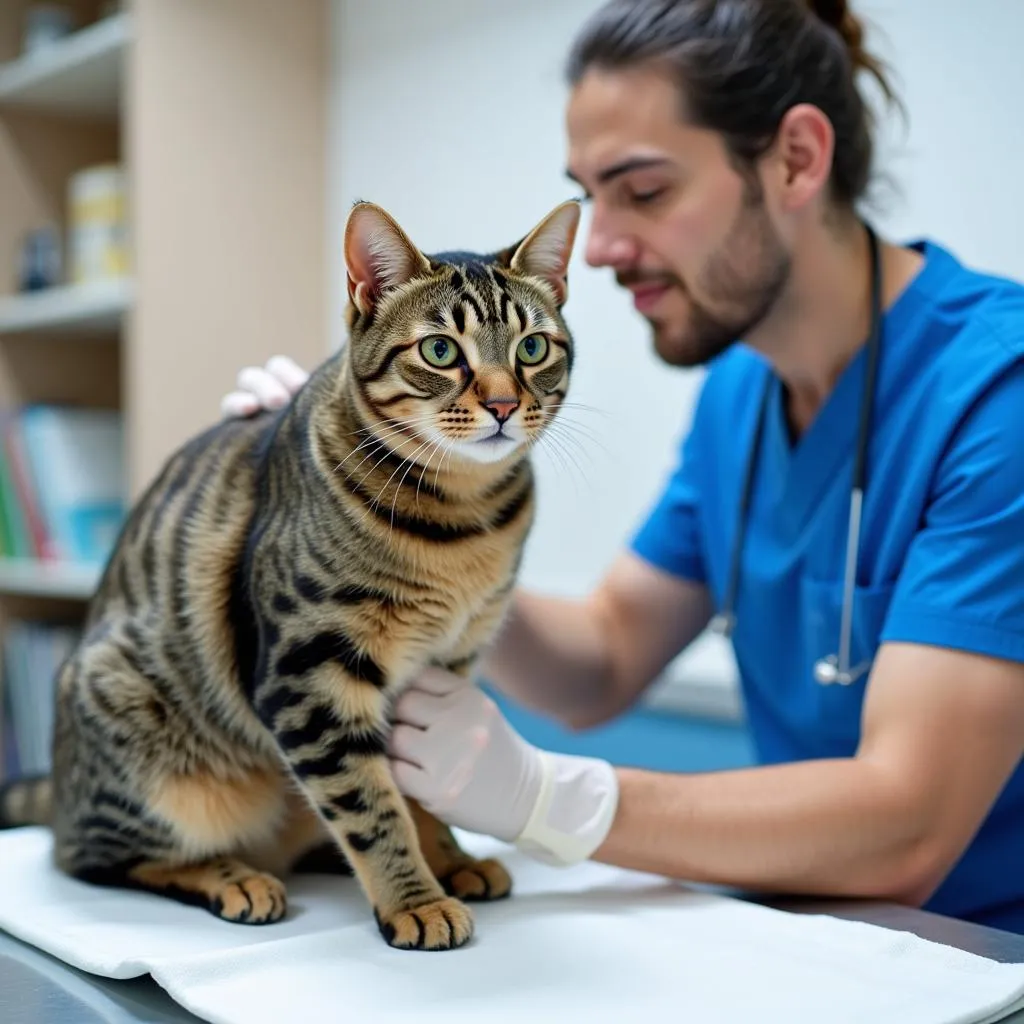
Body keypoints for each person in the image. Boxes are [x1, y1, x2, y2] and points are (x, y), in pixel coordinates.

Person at [221, 0, 1024, 934]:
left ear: (797, 160)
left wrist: (549, 799)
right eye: (589, 196)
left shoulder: (997, 395)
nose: (596, 248)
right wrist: (375, 525)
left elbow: (909, 827)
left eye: (641, 192)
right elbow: (600, 662)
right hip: (812, 939)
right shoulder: (742, 395)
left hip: (983, 962)